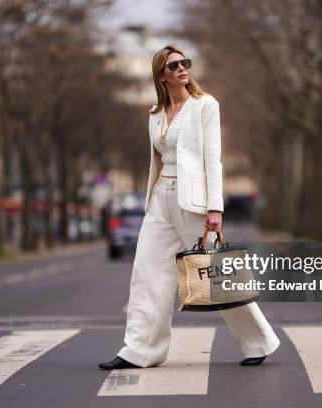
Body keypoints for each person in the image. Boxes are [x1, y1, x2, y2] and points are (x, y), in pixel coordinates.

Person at [98, 44, 280, 370]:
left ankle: (258, 341)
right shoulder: (154, 114)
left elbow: (213, 158)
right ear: (161, 75)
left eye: (185, 63)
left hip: (193, 202)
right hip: (160, 202)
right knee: (147, 274)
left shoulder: (205, 106)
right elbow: (155, 160)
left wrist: (215, 208)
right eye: (173, 66)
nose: (182, 68)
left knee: (217, 274)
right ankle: (140, 350)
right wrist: (151, 198)